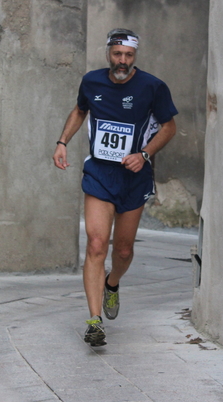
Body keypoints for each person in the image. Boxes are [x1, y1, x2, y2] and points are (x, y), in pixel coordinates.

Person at [52, 28, 178, 346]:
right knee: (97, 244)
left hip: (133, 178)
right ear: (108, 53)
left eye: (128, 55)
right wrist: (62, 142)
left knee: (122, 250)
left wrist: (145, 154)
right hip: (99, 174)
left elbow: (169, 126)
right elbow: (80, 110)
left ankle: (113, 282)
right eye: (117, 54)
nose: (122, 61)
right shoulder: (92, 81)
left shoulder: (152, 87)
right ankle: (94, 321)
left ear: (135, 57)